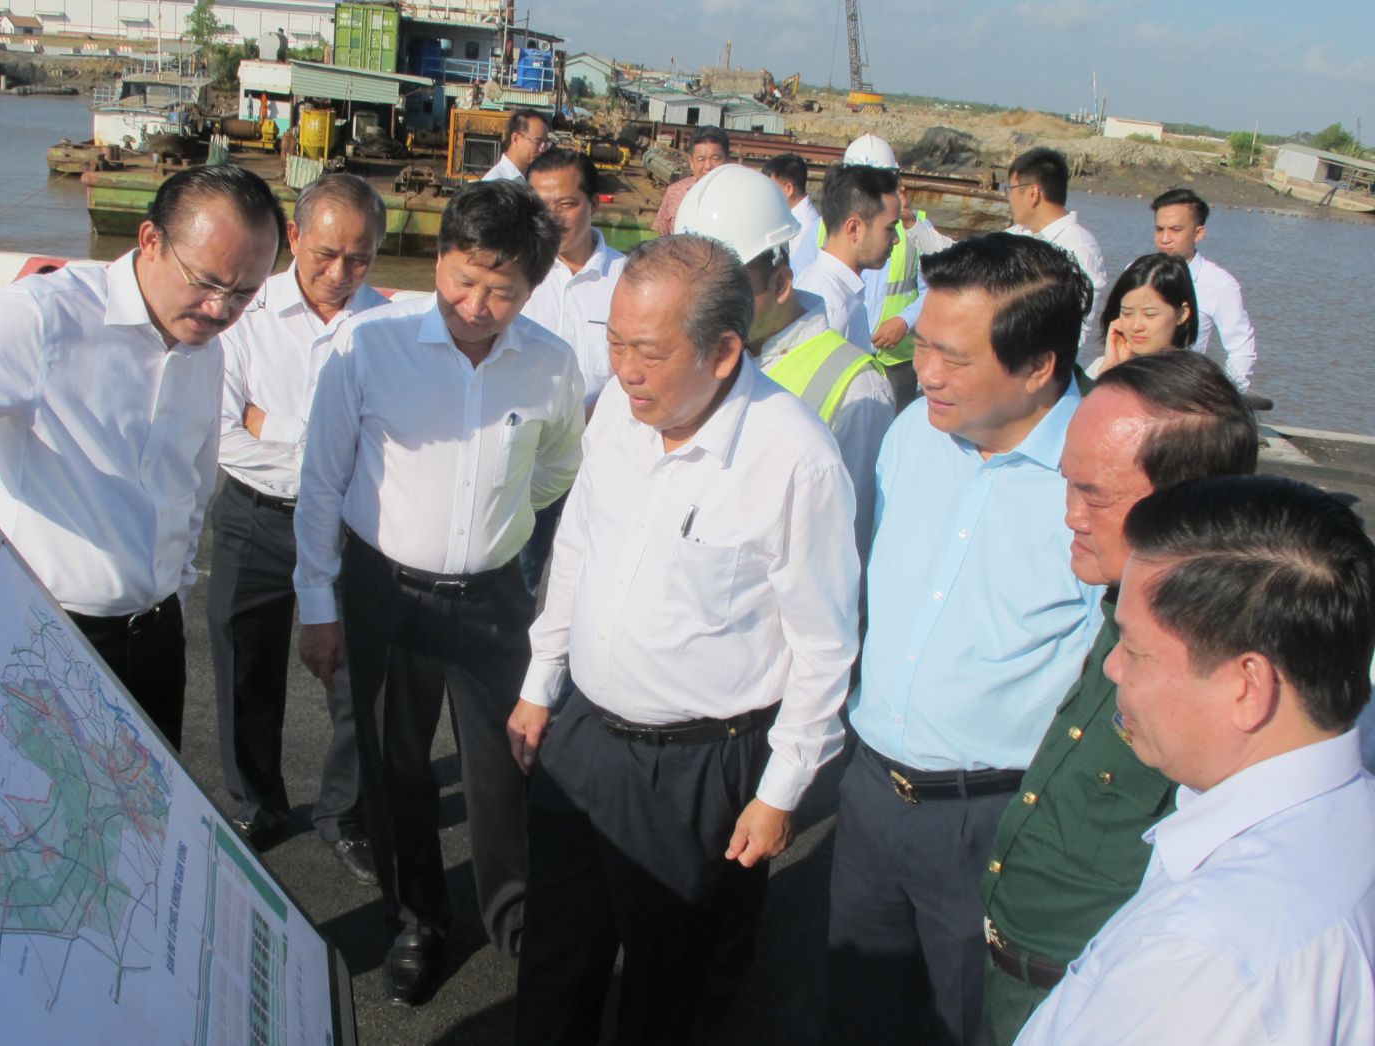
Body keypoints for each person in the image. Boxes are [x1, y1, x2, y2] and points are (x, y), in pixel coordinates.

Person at [509, 234, 860, 1045]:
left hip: (700, 770)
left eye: (649, 352)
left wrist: (780, 793)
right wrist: (540, 682)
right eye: (614, 343)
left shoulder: (794, 462)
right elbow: (577, 551)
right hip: (586, 738)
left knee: (672, 989)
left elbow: (824, 647)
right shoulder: (621, 421)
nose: (625, 369)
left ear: (726, 351)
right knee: (557, 959)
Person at [0, 164, 284, 751]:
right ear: (151, 240)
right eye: (206, 282)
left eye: (243, 293)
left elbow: (187, 488)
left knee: (142, 828)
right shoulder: (48, 318)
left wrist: (173, 598)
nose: (219, 309)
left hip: (154, 640)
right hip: (41, 636)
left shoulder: (203, 349)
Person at [293, 180, 585, 1005]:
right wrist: (318, 606)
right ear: (439, 256)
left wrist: (499, 518)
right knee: (397, 770)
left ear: (533, 288)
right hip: (385, 590)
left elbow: (562, 466)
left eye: (503, 290)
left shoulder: (552, 365)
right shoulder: (370, 346)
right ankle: (417, 919)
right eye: (463, 278)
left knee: (504, 769)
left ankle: (515, 918)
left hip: (494, 595)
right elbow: (322, 483)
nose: (477, 303)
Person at [828, 233, 1102, 1045]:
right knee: (856, 1014)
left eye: (952, 357)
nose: (928, 372)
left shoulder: (1103, 479)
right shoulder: (915, 432)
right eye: (920, 345)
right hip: (873, 797)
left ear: (1038, 367)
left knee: (974, 1025)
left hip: (999, 823)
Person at [1017, 475, 1375, 1044]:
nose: (1112, 670)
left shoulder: (1203, 960)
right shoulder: (1346, 825)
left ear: (1246, 686)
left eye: (1134, 650)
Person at [980, 352, 1258, 1045]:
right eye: (1067, 484)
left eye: (1094, 494)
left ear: (1187, 502)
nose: (1068, 514)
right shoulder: (1125, 603)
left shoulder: (1232, 683)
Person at [207, 175, 388, 877]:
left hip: (347, 531)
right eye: (326, 255)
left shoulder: (386, 329)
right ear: (294, 238)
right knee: (242, 668)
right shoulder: (242, 314)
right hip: (254, 517)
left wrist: (272, 425)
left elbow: (384, 442)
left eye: (360, 259)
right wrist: (319, 446)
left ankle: (343, 812)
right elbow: (222, 432)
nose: (340, 274)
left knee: (353, 680)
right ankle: (257, 801)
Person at [675, 161, 893, 560]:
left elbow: (848, 544)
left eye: (725, 292)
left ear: (780, 283)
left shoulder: (857, 388)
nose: (705, 309)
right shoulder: (701, 349)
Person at [518, 148, 627, 591]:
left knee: (595, 580)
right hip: (528, 458)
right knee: (519, 573)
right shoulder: (518, 276)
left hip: (603, 460)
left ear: (594, 201)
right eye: (541, 206)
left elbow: (639, 365)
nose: (554, 218)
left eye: (567, 204)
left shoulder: (628, 278)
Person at [839, 133, 936, 411]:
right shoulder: (826, 227)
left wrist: (905, 321)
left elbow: (938, 290)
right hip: (843, 356)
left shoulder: (916, 229)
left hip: (897, 363)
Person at [1151, 187, 1259, 390]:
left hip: (1180, 390)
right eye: (1159, 229)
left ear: (1198, 233)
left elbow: (1241, 349)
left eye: (1175, 230)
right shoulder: (1138, 272)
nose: (1165, 239)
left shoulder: (1220, 284)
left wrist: (1226, 398)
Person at [793, 162, 899, 361]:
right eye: (890, 228)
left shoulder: (839, 293)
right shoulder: (831, 309)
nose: (896, 239)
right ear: (854, 229)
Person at [1004, 147, 1108, 349]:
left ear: (1033, 193)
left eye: (1011, 189)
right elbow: (964, 255)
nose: (1008, 198)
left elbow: (1078, 327)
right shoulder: (1018, 234)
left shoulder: (1079, 247)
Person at [1085, 253, 1198, 379]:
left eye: (1149, 315)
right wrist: (1112, 369)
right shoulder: (1102, 368)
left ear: (1182, 314)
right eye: (1127, 313)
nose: (1136, 326)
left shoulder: (1194, 381)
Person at [650, 125, 730, 234]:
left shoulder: (739, 195)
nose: (708, 166)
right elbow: (661, 238)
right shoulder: (675, 192)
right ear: (691, 161)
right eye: (701, 159)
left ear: (727, 159)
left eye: (715, 158)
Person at [763, 152, 822, 277]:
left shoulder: (804, 226)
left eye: (770, 187)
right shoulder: (797, 217)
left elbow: (795, 274)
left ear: (788, 189)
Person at [482, 109, 552, 183]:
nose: (543, 149)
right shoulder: (493, 183)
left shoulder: (536, 179)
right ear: (515, 139)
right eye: (537, 141)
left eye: (546, 143)